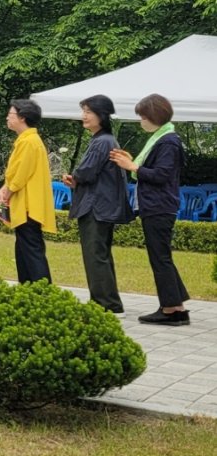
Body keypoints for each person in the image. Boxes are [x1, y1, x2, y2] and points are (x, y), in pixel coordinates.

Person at [111, 94, 191, 325]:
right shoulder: (163, 138)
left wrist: (133, 167)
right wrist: (133, 163)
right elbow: (155, 169)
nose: (141, 121)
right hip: (158, 205)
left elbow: (161, 175)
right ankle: (176, 307)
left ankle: (170, 310)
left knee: (160, 258)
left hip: (159, 206)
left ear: (154, 116)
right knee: (162, 257)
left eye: (143, 117)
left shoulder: (168, 142)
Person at [63, 94, 130, 314]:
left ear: (102, 115)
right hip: (102, 205)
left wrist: (75, 177)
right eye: (83, 111)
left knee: (95, 255)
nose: (84, 116)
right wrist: (77, 179)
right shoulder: (105, 139)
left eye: (88, 112)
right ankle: (107, 301)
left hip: (96, 207)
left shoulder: (102, 142)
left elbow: (86, 172)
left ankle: (106, 304)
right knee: (101, 254)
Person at [0, 98, 55, 285]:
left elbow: (21, 174)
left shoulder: (29, 141)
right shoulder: (27, 140)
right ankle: (28, 289)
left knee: (31, 251)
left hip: (28, 206)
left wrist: (7, 193)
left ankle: (41, 292)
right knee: (24, 250)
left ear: (22, 117)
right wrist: (5, 188)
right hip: (25, 204)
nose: (7, 118)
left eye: (11, 114)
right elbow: (15, 172)